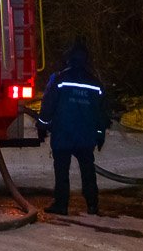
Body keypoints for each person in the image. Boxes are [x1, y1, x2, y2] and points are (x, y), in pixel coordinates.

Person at [36, 42, 107, 216]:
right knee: (87, 169)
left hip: (63, 133)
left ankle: (61, 204)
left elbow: (48, 105)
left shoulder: (59, 79)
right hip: (85, 135)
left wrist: (42, 125)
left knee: (62, 170)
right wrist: (99, 134)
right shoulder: (95, 83)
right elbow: (102, 113)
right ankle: (92, 204)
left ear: (69, 59)